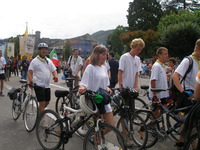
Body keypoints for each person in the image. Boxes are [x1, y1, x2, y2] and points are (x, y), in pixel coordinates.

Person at [173, 39, 200, 150]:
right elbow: (175, 76)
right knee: (188, 123)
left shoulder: (198, 61)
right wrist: (183, 91)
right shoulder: (188, 60)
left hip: (196, 96)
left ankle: (183, 143)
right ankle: (185, 145)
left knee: (190, 124)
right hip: (188, 96)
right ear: (198, 48)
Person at [78, 44, 114, 127]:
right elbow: (83, 83)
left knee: (111, 125)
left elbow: (105, 84)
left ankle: (93, 136)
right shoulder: (90, 67)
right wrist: (82, 87)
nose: (105, 56)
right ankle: (95, 138)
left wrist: (108, 88)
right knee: (98, 127)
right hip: (95, 100)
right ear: (97, 54)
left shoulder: (104, 68)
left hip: (104, 99)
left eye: (106, 55)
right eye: (103, 54)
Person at [118, 38, 145, 145]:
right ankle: (124, 135)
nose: (139, 51)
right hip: (124, 88)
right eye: (138, 49)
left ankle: (126, 131)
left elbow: (136, 74)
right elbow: (120, 72)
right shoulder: (124, 57)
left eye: (140, 50)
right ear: (133, 47)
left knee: (131, 113)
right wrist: (120, 86)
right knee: (124, 114)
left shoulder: (137, 59)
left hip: (132, 89)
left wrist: (136, 86)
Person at [28, 43, 58, 114]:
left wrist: (55, 76)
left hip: (47, 85)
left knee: (47, 102)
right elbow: (30, 72)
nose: (44, 51)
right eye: (42, 49)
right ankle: (42, 119)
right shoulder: (34, 61)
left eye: (45, 49)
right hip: (38, 85)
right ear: (39, 51)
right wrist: (30, 81)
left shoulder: (49, 61)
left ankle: (40, 112)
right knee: (42, 103)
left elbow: (54, 70)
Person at [149, 47, 169, 118]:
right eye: (165, 54)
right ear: (159, 55)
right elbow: (153, 80)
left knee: (161, 110)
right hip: (158, 93)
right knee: (157, 111)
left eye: (167, 54)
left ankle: (154, 124)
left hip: (163, 93)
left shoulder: (162, 65)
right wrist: (154, 94)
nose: (167, 55)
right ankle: (151, 125)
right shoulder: (156, 66)